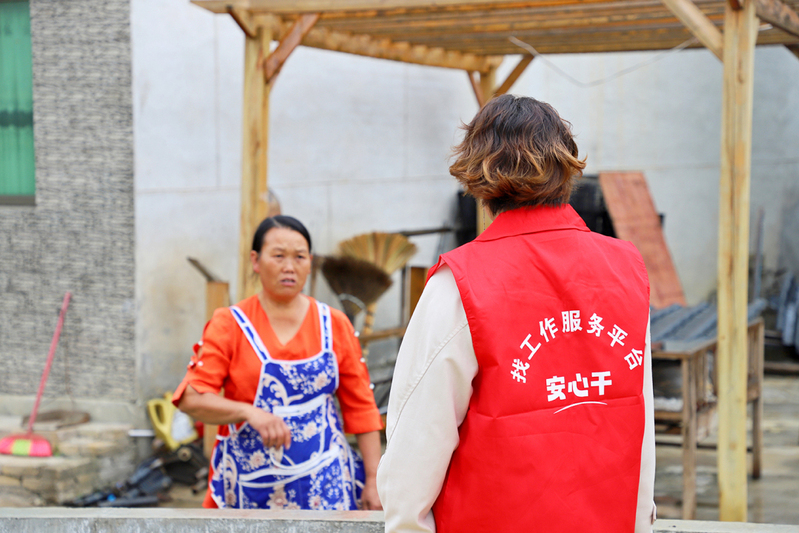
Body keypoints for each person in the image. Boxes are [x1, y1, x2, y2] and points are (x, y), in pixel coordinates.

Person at [377, 95, 655, 532]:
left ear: (479, 173)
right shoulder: (627, 270)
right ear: (566, 166)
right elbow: (641, 422)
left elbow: (417, 443)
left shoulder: (459, 284)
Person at [174, 215, 383, 510]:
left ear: (310, 262)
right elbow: (190, 398)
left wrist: (374, 479)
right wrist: (248, 412)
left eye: (299, 257)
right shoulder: (230, 324)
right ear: (256, 261)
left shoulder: (334, 324)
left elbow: (361, 408)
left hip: (326, 484)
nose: (289, 267)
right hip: (250, 491)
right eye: (278, 256)